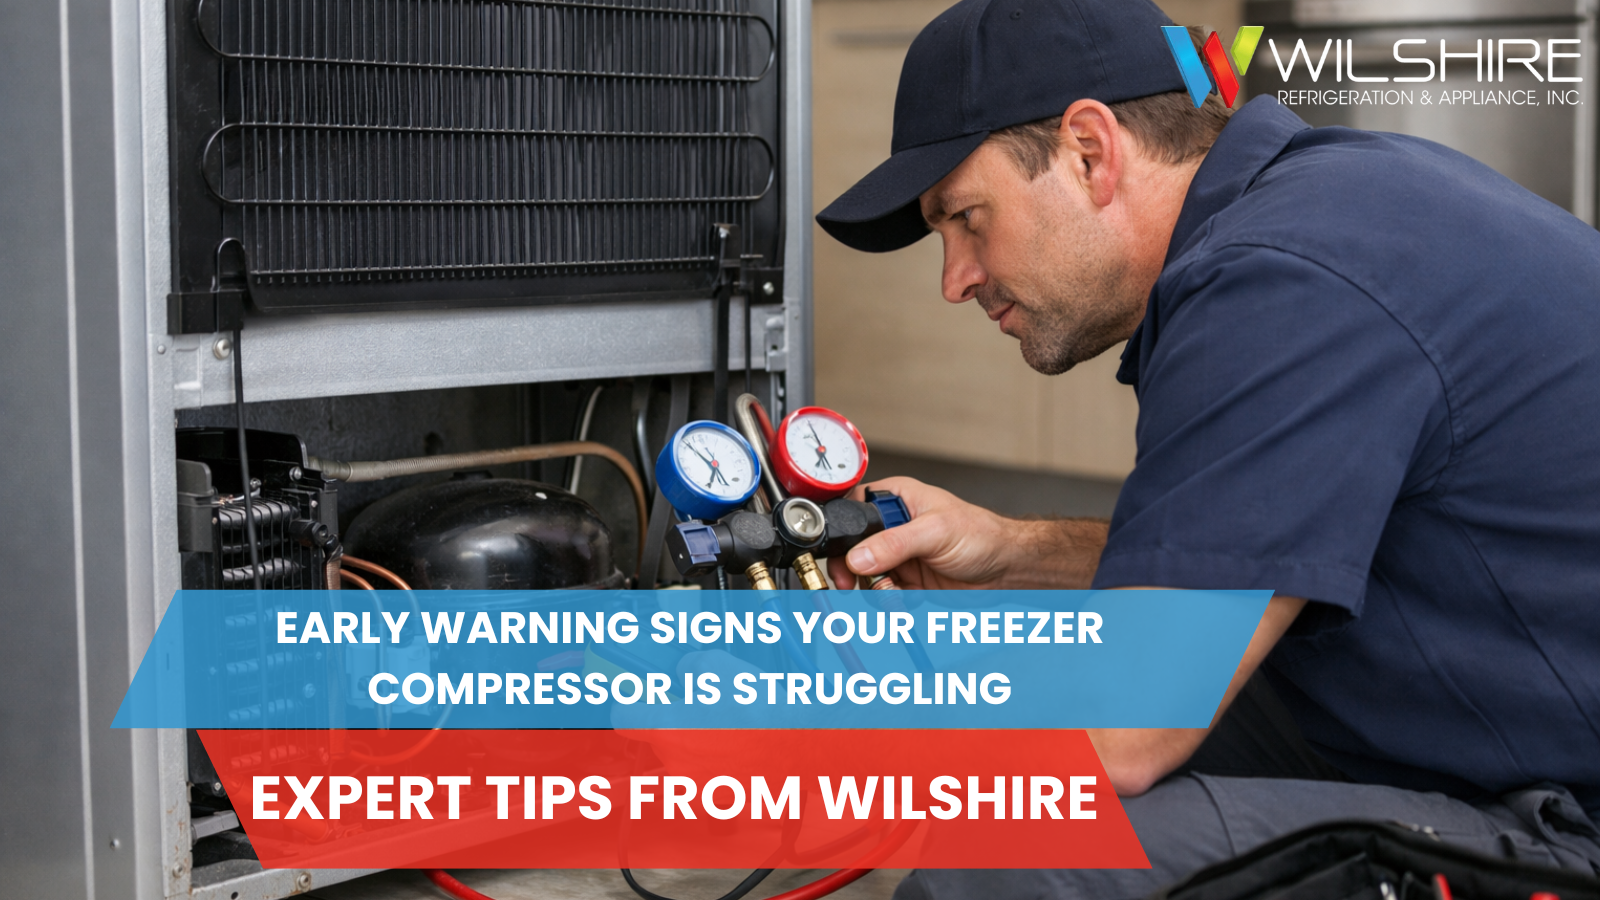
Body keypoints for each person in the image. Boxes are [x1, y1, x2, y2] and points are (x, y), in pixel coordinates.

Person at [814, 0, 1600, 895]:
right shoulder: (1318, 212)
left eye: (964, 218)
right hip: (1496, 726)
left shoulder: (1286, 278)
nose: (955, 279)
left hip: (1570, 819)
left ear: (1089, 150)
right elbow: (1257, 549)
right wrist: (1013, 552)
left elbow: (1122, 731)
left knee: (1011, 858)